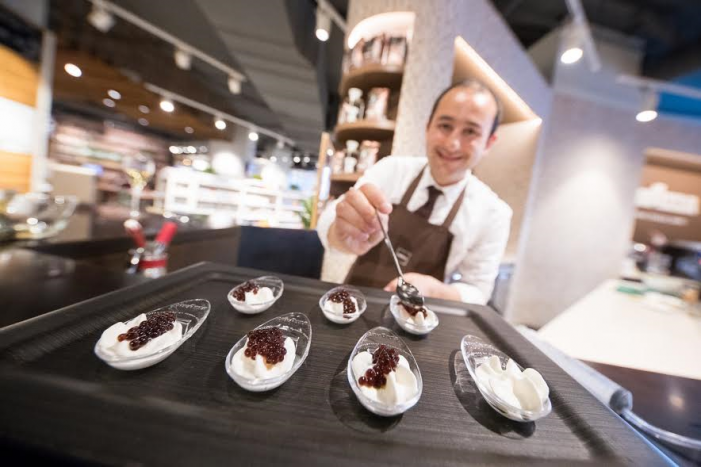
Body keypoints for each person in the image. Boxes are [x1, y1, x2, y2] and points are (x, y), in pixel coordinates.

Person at [316, 79, 512, 305]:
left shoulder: (494, 213)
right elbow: (331, 219)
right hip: (352, 305)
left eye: (470, 132)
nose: (452, 144)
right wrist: (341, 234)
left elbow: (478, 291)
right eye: (445, 126)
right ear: (428, 127)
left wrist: (436, 290)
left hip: (418, 320)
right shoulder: (392, 169)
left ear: (489, 142)